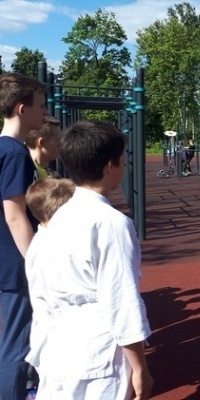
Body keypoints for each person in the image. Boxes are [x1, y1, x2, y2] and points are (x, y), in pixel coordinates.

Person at [23, 120, 153, 399]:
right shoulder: (111, 223)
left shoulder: (56, 218)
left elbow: (38, 288)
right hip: (98, 355)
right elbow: (121, 300)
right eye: (121, 160)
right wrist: (140, 367)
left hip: (56, 346)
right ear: (110, 165)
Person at [0, 72, 47, 400]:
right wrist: (35, 263)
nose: (44, 112)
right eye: (40, 106)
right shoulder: (16, 153)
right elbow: (15, 215)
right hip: (15, 262)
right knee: (17, 345)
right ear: (21, 108)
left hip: (5, 258)